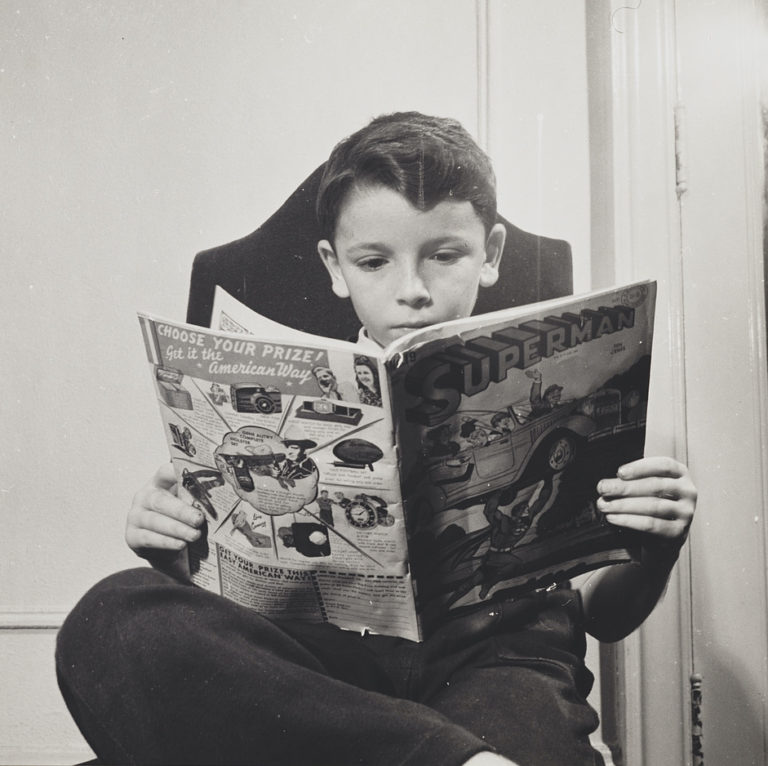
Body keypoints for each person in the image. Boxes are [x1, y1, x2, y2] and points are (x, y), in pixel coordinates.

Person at [56, 112, 697, 766]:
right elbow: (229, 599)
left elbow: (603, 617)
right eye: (374, 262)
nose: (412, 292)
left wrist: (655, 551)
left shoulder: (569, 393)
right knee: (109, 619)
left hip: (501, 657)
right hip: (321, 670)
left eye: (445, 256)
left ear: (491, 255)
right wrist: (173, 547)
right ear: (336, 268)